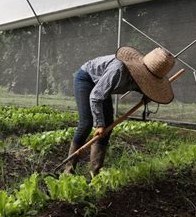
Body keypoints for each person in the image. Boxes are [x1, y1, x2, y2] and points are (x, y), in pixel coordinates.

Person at [64, 46, 175, 176]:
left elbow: (143, 87)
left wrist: (147, 95)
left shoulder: (142, 78)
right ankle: (68, 171)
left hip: (102, 87)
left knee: (107, 128)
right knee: (86, 124)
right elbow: (96, 96)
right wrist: (99, 124)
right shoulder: (118, 70)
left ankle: (94, 173)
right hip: (87, 79)